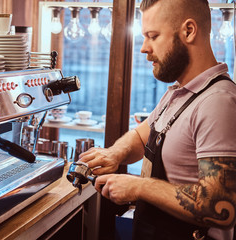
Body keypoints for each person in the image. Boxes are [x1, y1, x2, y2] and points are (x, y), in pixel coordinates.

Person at [78, 0, 236, 239]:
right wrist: (114, 154)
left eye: (152, 36)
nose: (143, 48)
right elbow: (142, 137)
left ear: (189, 31)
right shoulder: (180, 92)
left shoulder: (218, 102)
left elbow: (220, 209)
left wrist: (139, 186)